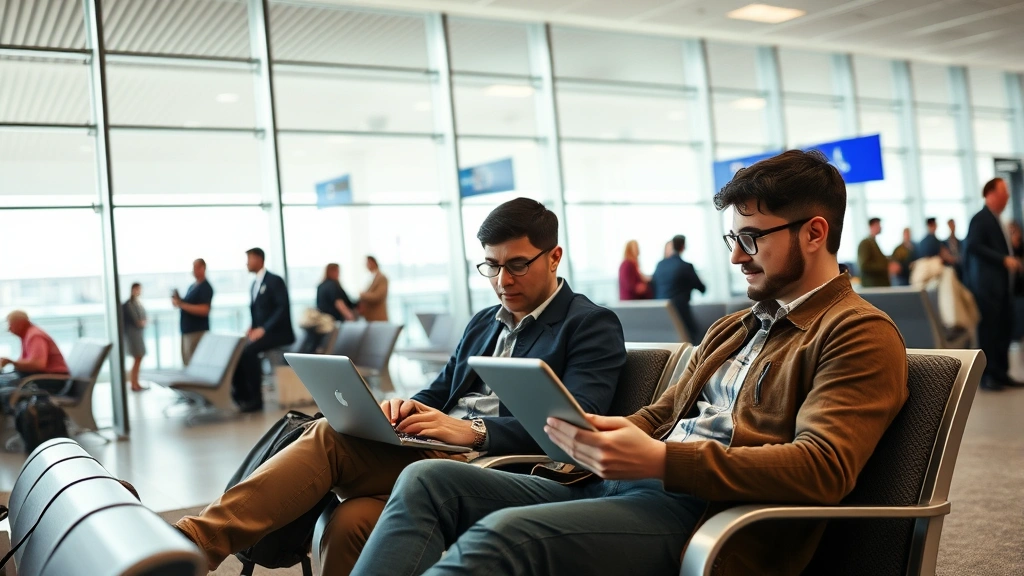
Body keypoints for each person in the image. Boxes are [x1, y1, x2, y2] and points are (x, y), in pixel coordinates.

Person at [350, 150, 909, 576]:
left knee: (505, 537)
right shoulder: (736, 326)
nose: (736, 255)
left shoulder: (856, 332)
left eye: (751, 237)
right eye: (732, 237)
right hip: (626, 486)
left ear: (815, 232)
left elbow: (824, 468)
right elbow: (660, 415)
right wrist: (598, 432)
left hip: (706, 516)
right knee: (428, 480)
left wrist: (663, 461)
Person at [173, 198, 626, 574]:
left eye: (518, 265)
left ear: (554, 256)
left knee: (331, 438)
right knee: (352, 519)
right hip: (443, 449)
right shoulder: (484, 322)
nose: (503, 281)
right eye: (491, 265)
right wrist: (405, 410)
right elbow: (441, 389)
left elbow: (577, 423)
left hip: (505, 465)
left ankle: (191, 545)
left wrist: (473, 431)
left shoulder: (588, 325)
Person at [964, 178, 1024, 391]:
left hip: (1002, 287)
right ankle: (988, 376)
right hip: (987, 289)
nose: (1007, 197)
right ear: (990, 194)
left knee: (1004, 330)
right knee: (989, 332)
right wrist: (1002, 259)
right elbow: (973, 246)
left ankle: (1001, 373)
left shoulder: (998, 219)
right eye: (1003, 192)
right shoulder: (981, 218)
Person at [234, 248, 295, 412]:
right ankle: (241, 395)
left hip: (278, 334)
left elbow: (282, 308)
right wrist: (252, 327)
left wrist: (263, 330)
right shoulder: (254, 284)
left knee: (249, 351)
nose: (247, 263)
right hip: (262, 332)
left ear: (259, 259)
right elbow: (257, 311)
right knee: (238, 350)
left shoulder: (275, 281)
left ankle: (256, 400)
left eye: (249, 259)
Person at [651, 235, 706, 341]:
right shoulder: (686, 266)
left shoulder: (659, 265)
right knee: (698, 337)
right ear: (683, 247)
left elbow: (653, 285)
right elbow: (702, 289)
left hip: (661, 313)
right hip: (681, 313)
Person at [0, 310, 69, 395]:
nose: (9, 329)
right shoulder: (28, 335)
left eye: (11, 325)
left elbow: (38, 365)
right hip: (41, 377)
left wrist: (11, 362)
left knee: (4, 388)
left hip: (51, 380)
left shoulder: (35, 336)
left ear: (21, 324)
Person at [298, 263, 357, 354]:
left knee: (315, 345)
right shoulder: (333, 285)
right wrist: (350, 317)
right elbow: (339, 303)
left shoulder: (321, 285)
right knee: (328, 346)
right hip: (330, 322)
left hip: (319, 321)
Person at [172, 258, 213, 366]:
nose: (193, 270)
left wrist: (182, 305)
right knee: (187, 362)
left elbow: (204, 310)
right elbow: (185, 304)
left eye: (196, 267)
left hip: (197, 332)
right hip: (187, 330)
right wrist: (178, 302)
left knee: (195, 364)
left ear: (203, 268)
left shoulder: (205, 287)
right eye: (193, 268)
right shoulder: (192, 287)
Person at [122, 283, 147, 392]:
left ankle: (135, 382)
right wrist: (141, 322)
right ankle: (133, 383)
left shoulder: (137, 303)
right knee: (137, 357)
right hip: (133, 335)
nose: (139, 291)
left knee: (139, 357)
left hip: (138, 334)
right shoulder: (130, 304)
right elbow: (137, 320)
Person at [857, 217, 893, 287]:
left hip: (879, 285)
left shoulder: (873, 242)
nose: (880, 227)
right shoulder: (865, 243)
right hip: (873, 286)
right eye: (878, 225)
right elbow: (864, 265)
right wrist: (886, 267)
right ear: (871, 226)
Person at [358, 256, 388, 322]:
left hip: (378, 317)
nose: (366, 265)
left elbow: (379, 296)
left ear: (373, 263)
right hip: (370, 317)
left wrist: (363, 295)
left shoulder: (381, 278)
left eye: (368, 263)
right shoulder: (371, 277)